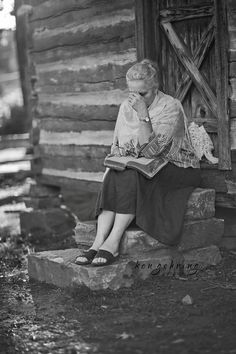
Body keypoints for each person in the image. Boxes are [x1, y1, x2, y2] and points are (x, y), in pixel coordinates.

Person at [75, 59, 201, 267]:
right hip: (142, 164)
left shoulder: (171, 107)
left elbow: (153, 151)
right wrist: (117, 163)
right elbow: (118, 147)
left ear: (155, 87)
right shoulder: (127, 106)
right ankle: (97, 243)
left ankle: (113, 241)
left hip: (176, 167)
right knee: (116, 172)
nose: (136, 99)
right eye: (132, 93)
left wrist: (143, 114)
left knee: (131, 173)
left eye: (142, 94)